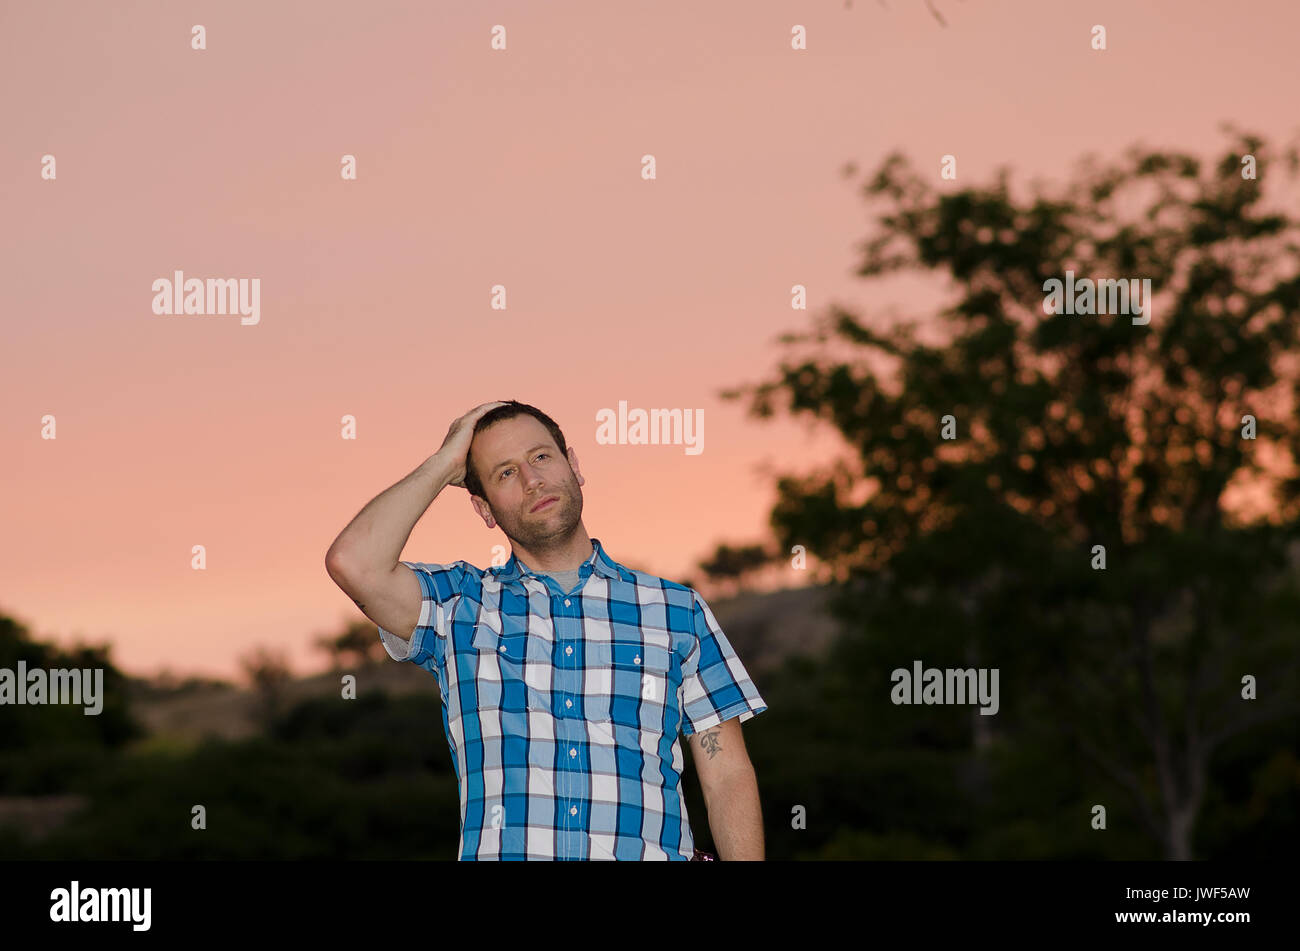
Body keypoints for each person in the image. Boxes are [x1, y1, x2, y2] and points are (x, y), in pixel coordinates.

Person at [324, 400, 768, 860]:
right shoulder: (457, 606)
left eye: (541, 457)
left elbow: (726, 773)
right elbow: (354, 564)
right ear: (484, 508)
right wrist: (442, 464)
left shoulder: (678, 610)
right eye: (505, 473)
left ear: (573, 466)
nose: (532, 479)